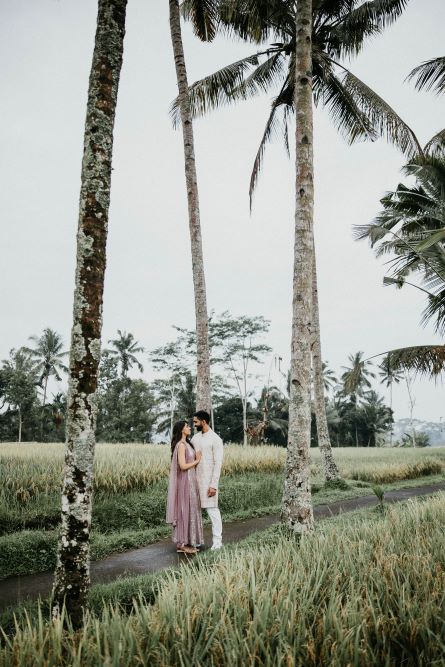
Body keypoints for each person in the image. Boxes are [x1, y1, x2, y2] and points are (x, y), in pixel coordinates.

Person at [166, 420, 204, 554]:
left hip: (191, 481)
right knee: (184, 509)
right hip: (185, 481)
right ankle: (181, 544)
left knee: (190, 509)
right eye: (187, 426)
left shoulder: (188, 444)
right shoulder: (181, 445)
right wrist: (197, 460)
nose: (189, 428)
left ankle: (187, 540)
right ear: (182, 429)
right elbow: (182, 466)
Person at [192, 410, 224, 550]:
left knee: (213, 511)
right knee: (196, 513)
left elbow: (218, 463)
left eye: (196, 422)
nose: (194, 424)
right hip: (194, 481)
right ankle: (198, 541)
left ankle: (218, 542)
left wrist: (213, 485)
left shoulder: (215, 439)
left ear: (203, 421)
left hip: (208, 482)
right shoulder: (195, 438)